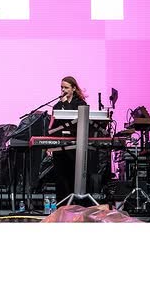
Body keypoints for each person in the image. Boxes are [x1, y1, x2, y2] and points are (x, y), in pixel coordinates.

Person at [50, 76, 88, 204]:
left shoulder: (80, 104)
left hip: (75, 146)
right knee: (60, 177)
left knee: (73, 175)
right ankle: (62, 205)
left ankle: (76, 205)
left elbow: (73, 118)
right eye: (62, 87)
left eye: (66, 87)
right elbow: (54, 127)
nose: (63, 90)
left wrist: (66, 103)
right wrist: (50, 145)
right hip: (60, 145)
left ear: (74, 88)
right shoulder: (57, 105)